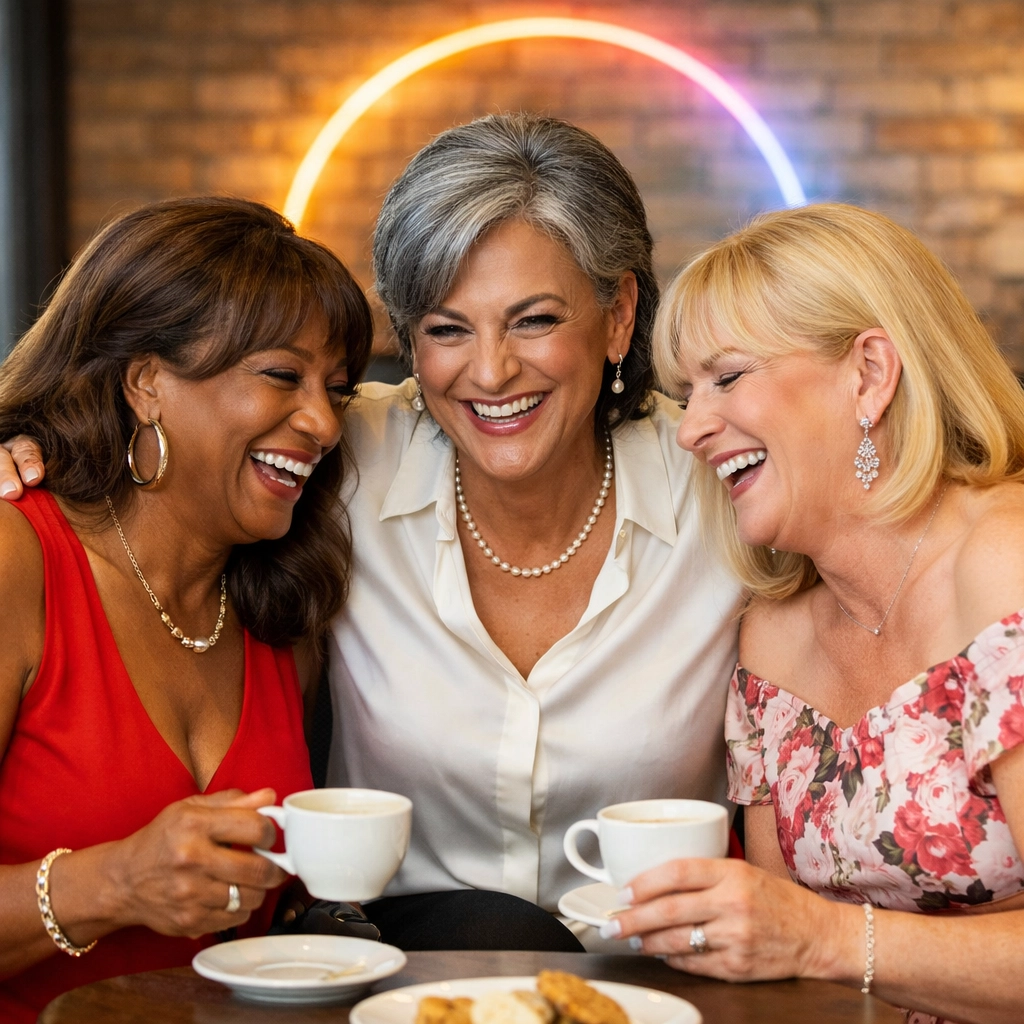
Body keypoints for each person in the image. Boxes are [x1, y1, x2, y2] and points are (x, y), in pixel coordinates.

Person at [2, 115, 743, 952]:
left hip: (661, 985)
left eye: (534, 320)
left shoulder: (724, 484)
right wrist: (34, 444)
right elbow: (187, 447)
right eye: (446, 329)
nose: (491, 371)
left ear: (618, 317)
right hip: (392, 976)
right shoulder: (337, 465)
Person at [602, 203, 1024, 1023]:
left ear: (869, 373)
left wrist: (825, 939)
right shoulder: (776, 635)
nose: (691, 429)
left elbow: (805, 940)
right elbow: (776, 968)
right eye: (687, 394)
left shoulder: (1005, 562)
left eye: (727, 378)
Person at [0, 195, 373, 1021]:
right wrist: (116, 882)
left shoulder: (280, 612)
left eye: (339, 390)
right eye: (281, 376)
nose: (323, 423)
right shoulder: (17, 556)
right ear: (146, 383)